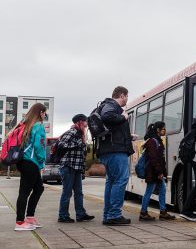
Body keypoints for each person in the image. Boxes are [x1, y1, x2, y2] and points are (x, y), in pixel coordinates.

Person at [97, 86, 135, 225]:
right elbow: (108, 116)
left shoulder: (105, 105)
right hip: (115, 151)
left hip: (109, 150)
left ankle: (108, 215)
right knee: (121, 180)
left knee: (112, 182)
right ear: (122, 95)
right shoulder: (111, 105)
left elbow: (111, 129)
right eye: (126, 97)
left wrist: (128, 137)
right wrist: (123, 117)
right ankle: (114, 215)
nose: (127, 100)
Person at [14, 103, 47, 231]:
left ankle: (29, 217)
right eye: (44, 113)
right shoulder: (38, 126)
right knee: (24, 192)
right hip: (31, 162)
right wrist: (42, 162)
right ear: (40, 113)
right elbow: (40, 146)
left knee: (39, 188)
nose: (45, 115)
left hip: (23, 161)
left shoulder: (26, 125)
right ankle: (20, 222)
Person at [57, 114, 95, 223]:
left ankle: (81, 214)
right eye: (85, 122)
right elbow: (61, 144)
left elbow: (81, 153)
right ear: (80, 122)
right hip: (68, 166)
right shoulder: (71, 132)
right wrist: (77, 144)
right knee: (67, 192)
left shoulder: (80, 134)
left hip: (77, 168)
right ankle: (63, 216)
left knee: (79, 192)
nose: (86, 124)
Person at [139, 121, 175, 221]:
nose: (165, 130)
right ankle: (143, 213)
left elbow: (160, 159)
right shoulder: (152, 141)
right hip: (153, 172)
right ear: (158, 130)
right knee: (149, 191)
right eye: (163, 128)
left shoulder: (158, 140)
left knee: (162, 190)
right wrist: (159, 172)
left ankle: (163, 212)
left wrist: (162, 172)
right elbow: (153, 159)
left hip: (157, 172)